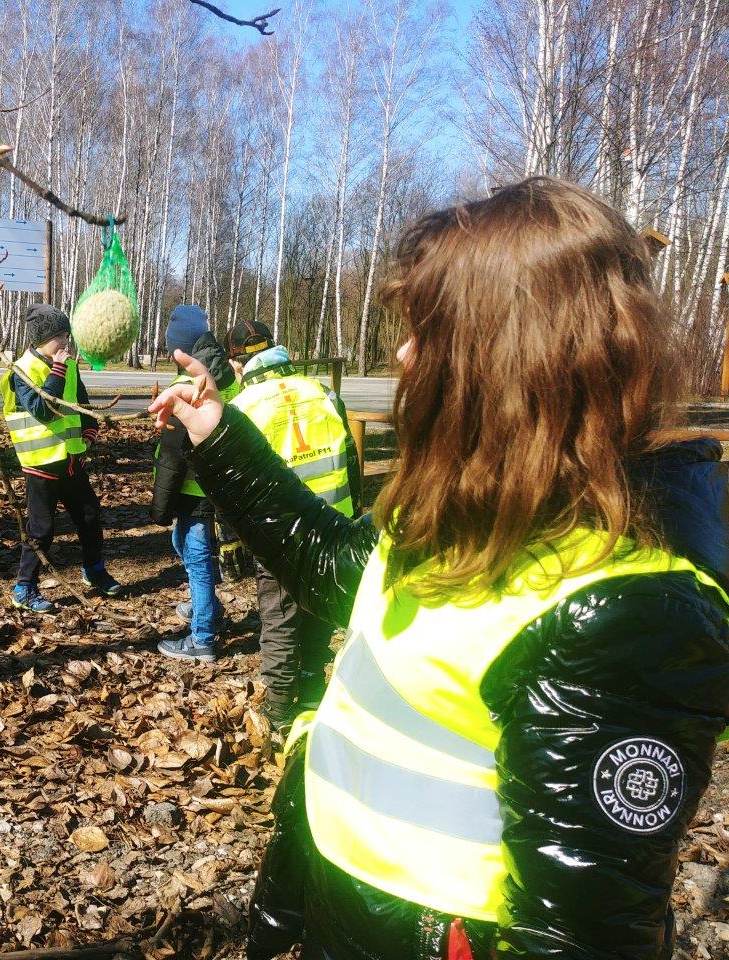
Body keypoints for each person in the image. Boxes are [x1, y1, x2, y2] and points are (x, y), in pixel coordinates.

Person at [149, 178, 729, 960]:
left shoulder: (630, 611)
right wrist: (217, 436)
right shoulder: (474, 508)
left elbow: (578, 935)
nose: (402, 354)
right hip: (343, 908)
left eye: (428, 331)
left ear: (513, 356)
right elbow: (333, 568)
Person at [224, 319, 362, 727]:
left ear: (237, 364)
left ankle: (280, 711)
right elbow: (351, 460)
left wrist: (231, 540)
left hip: (278, 535)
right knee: (319, 610)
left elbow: (231, 488)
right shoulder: (324, 393)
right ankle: (313, 691)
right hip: (333, 526)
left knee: (279, 621)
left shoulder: (242, 408)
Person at [3, 303, 121, 612]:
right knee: (41, 529)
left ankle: (93, 570)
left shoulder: (68, 366)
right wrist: (57, 369)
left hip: (71, 460)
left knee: (90, 516)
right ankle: (24, 587)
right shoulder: (23, 370)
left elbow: (80, 402)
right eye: (60, 337)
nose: (65, 343)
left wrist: (91, 429)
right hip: (41, 465)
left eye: (67, 336)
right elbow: (43, 409)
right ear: (43, 338)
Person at [150, 305, 240, 661]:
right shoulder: (227, 379)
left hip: (195, 491)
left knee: (198, 560)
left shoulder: (184, 387)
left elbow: (171, 458)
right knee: (185, 546)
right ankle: (208, 608)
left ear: (179, 349)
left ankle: (203, 637)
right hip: (224, 485)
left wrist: (160, 507)